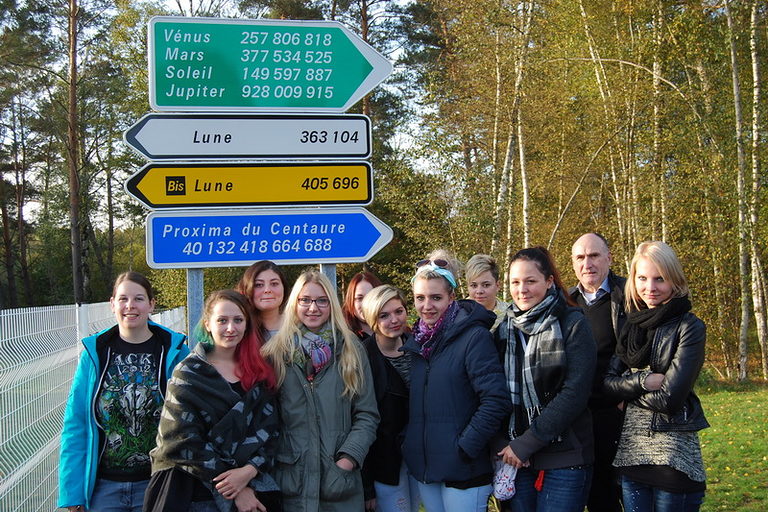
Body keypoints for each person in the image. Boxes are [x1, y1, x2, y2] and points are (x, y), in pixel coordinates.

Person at [58, 271, 189, 512]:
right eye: (123, 299)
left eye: (139, 299)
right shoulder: (95, 354)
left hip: (157, 483)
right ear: (112, 304)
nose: (130, 306)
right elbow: (76, 424)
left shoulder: (175, 352)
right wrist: (72, 492)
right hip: (104, 488)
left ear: (151, 305)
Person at [144, 290, 280, 512]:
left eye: (238, 320)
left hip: (254, 486)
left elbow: (272, 432)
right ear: (208, 324)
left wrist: (248, 472)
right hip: (193, 492)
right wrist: (235, 488)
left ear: (247, 324)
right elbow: (181, 440)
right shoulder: (187, 374)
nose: (230, 328)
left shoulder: (259, 372)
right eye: (222, 320)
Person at [401, 250, 511, 512]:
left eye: (436, 298)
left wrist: (464, 447)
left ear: (451, 297)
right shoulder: (418, 343)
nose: (427, 306)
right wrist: (410, 443)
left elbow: (496, 400)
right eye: (420, 298)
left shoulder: (473, 337)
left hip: (464, 470)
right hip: (427, 467)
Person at [261, 269, 379, 511]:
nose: (313, 308)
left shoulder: (350, 349)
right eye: (305, 300)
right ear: (295, 303)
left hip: (339, 483)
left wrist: (347, 460)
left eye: (321, 300)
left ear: (331, 305)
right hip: (292, 482)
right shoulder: (275, 353)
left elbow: (367, 415)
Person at [603, 241, 708, 511]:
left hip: (673, 459)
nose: (650, 287)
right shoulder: (631, 326)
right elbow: (606, 384)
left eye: (659, 278)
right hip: (631, 457)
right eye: (642, 278)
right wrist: (642, 382)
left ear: (675, 279)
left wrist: (627, 394)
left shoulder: (689, 327)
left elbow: (670, 400)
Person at [495, 247, 596, 512]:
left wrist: (527, 443)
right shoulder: (503, 329)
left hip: (564, 454)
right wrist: (509, 446)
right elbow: (495, 393)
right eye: (515, 282)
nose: (522, 290)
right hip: (515, 457)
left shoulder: (572, 323)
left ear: (549, 282)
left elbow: (574, 392)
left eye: (531, 281)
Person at [569, 233, 626, 512]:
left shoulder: (629, 295)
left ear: (609, 257)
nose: (587, 263)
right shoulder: (565, 302)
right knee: (592, 493)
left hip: (618, 411)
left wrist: (629, 395)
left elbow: (643, 347)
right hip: (577, 415)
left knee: (625, 491)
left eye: (593, 255)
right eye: (580, 257)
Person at [360, 285, 420, 512]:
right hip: (384, 463)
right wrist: (366, 487)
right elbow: (359, 421)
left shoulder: (419, 345)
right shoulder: (362, 357)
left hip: (420, 456)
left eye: (399, 311)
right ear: (372, 319)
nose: (394, 320)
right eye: (384, 315)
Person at [235, 260, 289, 341]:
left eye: (274, 284)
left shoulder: (299, 327)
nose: (267, 290)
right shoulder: (236, 330)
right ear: (247, 289)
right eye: (259, 285)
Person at [465, 254, 509, 332]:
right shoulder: (456, 315)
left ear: (498, 285)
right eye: (474, 285)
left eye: (486, 285)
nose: (479, 291)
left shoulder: (510, 315)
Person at [342, 271, 383, 339]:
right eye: (359, 298)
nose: (366, 304)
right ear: (350, 301)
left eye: (371, 297)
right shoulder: (340, 337)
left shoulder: (399, 332)